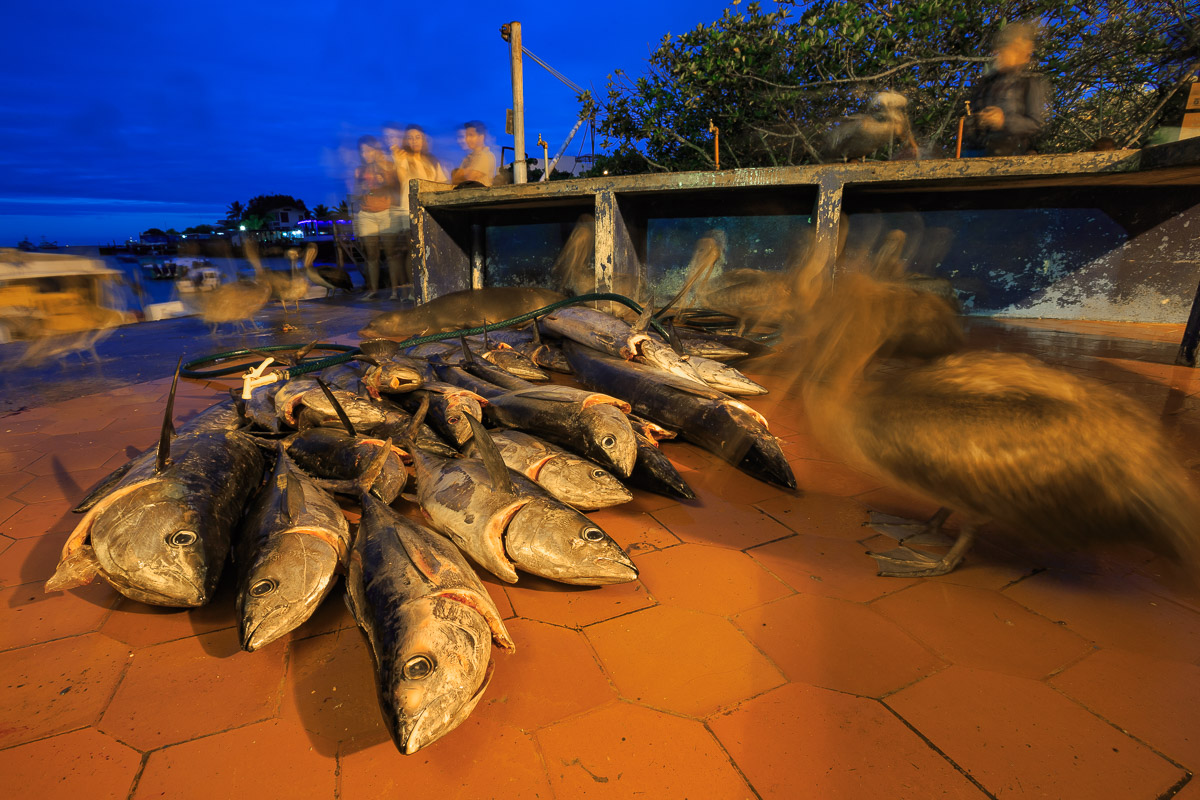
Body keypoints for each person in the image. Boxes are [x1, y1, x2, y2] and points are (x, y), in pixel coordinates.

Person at [963, 22, 1049, 157]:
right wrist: (975, 122)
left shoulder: (1028, 85)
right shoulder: (985, 85)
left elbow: (1035, 124)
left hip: (1011, 155)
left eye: (1014, 50)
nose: (1003, 54)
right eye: (1006, 48)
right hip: (977, 155)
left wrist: (1004, 122)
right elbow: (970, 124)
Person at [386, 123, 448, 300]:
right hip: (409, 209)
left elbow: (442, 183)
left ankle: (430, 286)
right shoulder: (403, 158)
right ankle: (415, 288)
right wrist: (399, 159)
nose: (414, 141)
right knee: (414, 250)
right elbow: (401, 177)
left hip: (429, 211)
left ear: (424, 139)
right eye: (410, 137)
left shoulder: (432, 160)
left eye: (418, 137)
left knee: (430, 250)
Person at [352, 134, 402, 298]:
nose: (366, 154)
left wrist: (383, 181)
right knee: (371, 255)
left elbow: (396, 187)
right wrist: (362, 190)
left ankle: (395, 290)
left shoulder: (388, 166)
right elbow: (356, 194)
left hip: (387, 213)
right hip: (367, 215)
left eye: (369, 150)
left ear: (376, 150)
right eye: (363, 151)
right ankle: (372, 290)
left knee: (391, 254)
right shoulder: (359, 171)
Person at [451, 120, 497, 188]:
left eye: (471, 135)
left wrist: (462, 173)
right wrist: (466, 172)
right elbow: (454, 180)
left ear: (481, 137)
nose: (467, 139)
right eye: (466, 136)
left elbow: (470, 180)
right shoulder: (468, 158)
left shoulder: (485, 156)